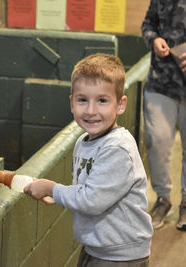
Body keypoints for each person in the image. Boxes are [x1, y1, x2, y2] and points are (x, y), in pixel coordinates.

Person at [23, 53, 153, 266]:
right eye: (82, 100)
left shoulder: (117, 148)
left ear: (120, 105)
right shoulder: (84, 142)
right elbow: (89, 189)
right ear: (72, 103)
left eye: (102, 100)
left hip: (121, 255)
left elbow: (91, 200)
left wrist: (52, 189)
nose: (91, 111)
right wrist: (62, 196)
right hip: (98, 246)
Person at [141, 0, 186, 230]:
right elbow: (148, 24)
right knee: (157, 140)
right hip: (161, 83)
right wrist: (154, 39)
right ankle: (163, 199)